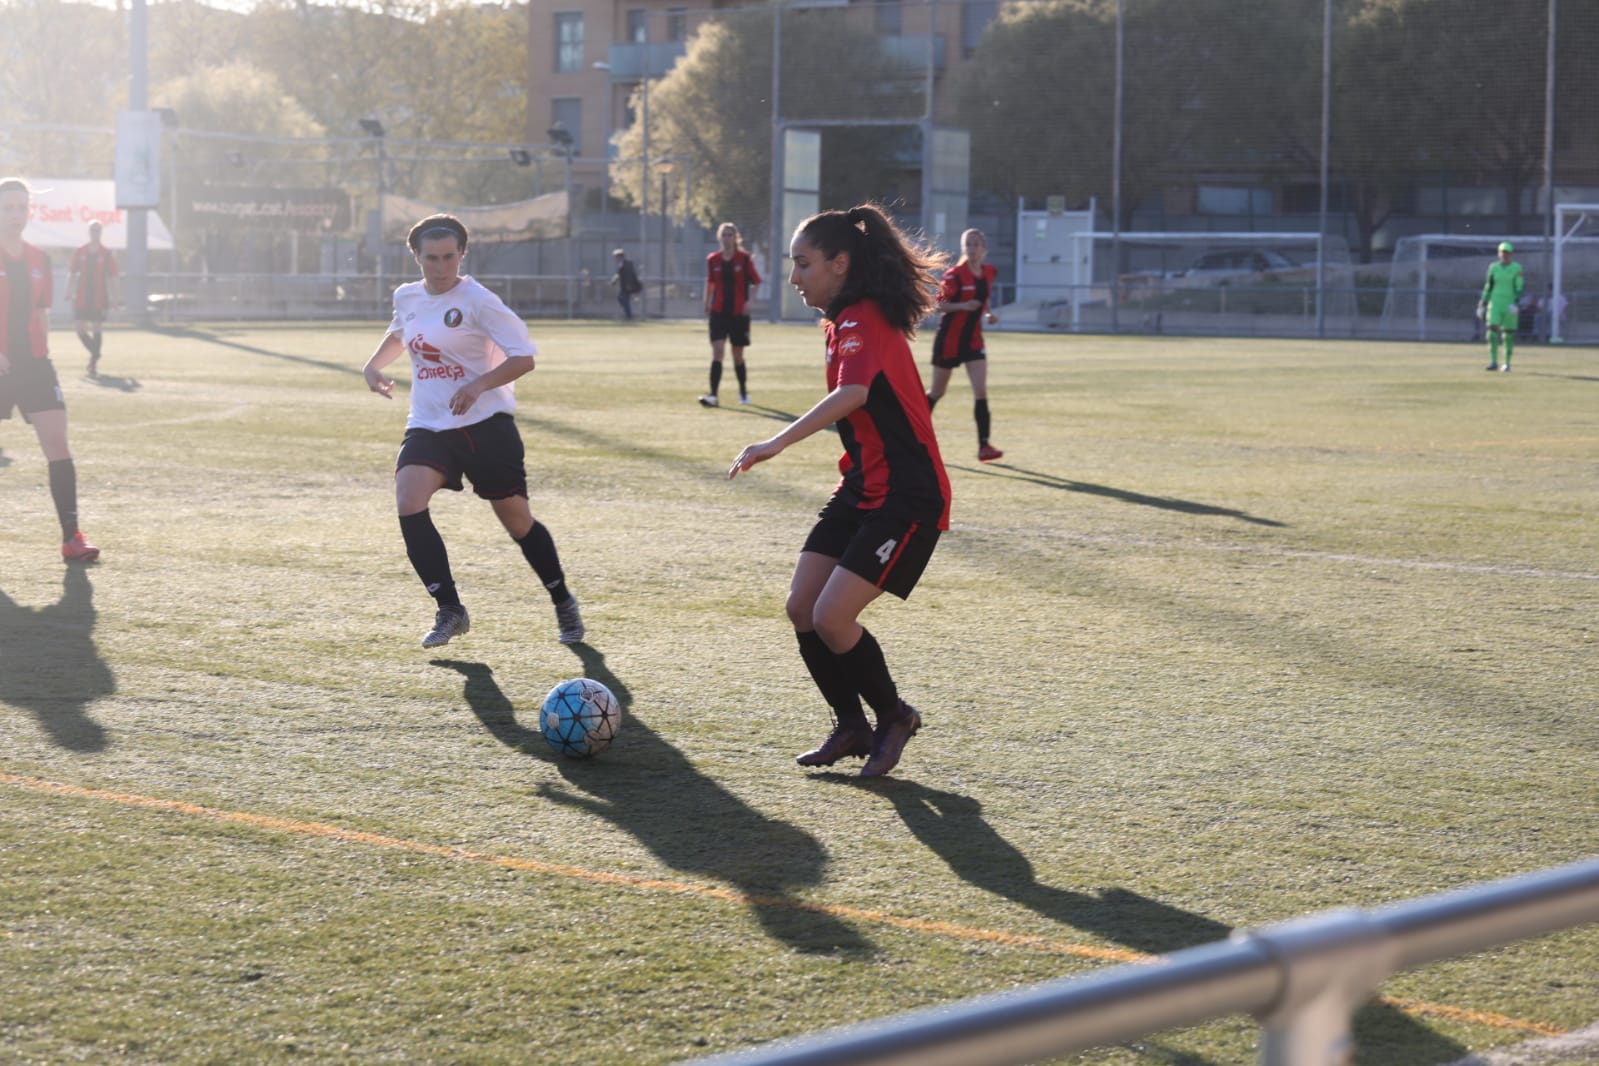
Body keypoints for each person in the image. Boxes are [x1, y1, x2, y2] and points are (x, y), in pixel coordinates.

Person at [728, 204, 950, 779]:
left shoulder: (864, 318)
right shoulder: (840, 321)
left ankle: (893, 717)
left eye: (803, 264)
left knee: (832, 616)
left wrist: (775, 443)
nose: (794, 277)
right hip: (862, 488)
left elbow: (853, 393)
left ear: (840, 263)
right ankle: (851, 726)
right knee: (802, 607)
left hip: (908, 497)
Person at [363, 213, 584, 649]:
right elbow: (400, 331)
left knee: (517, 522)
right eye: (431, 258)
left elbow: (524, 357)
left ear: (462, 254)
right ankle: (449, 609)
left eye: (449, 257)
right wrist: (373, 365)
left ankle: (561, 599)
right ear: (415, 257)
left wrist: (477, 384)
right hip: (429, 423)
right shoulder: (406, 296)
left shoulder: (480, 300)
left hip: (486, 426)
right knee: (409, 500)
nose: (441, 267)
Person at [0, 177, 100, 563]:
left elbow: (41, 313)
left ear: (28, 211)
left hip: (35, 366)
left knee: (58, 446)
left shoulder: (40, 260)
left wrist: (43, 354)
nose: (13, 215)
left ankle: (71, 537)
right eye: (6, 208)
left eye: (19, 208)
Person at [926, 227, 1003, 461]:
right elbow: (937, 305)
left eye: (976, 244)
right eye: (968, 244)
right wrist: (962, 306)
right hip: (949, 341)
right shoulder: (954, 275)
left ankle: (984, 446)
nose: (972, 248)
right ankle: (911, 431)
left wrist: (988, 313)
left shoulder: (989, 272)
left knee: (981, 392)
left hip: (973, 341)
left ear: (984, 249)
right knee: (937, 392)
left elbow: (983, 298)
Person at [699, 222, 762, 407]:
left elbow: (757, 282)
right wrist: (706, 302)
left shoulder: (744, 259)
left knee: (737, 355)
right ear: (719, 237)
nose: (727, 238)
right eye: (724, 235)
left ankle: (743, 391)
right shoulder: (713, 259)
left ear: (736, 238)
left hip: (738, 314)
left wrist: (750, 302)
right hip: (718, 313)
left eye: (730, 235)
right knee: (717, 352)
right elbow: (710, 282)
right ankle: (713, 395)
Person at [66, 220, 119, 377]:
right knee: (79, 328)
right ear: (89, 232)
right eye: (92, 230)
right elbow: (72, 272)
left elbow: (113, 277)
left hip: (99, 297)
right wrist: (68, 291)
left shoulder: (107, 254)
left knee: (96, 328)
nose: (94, 233)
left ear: (101, 232)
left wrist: (116, 299)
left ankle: (93, 362)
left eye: (97, 230)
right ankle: (95, 353)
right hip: (82, 296)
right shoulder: (80, 251)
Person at [1479, 241, 1524, 372]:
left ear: (1512, 254)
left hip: (1509, 303)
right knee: (1491, 331)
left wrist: (1517, 301)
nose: (1505, 255)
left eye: (1507, 253)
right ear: (1499, 253)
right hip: (1495, 302)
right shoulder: (1493, 267)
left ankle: (1507, 363)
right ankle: (1493, 361)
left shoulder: (1517, 268)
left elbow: (1519, 286)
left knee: (1508, 334)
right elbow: (1489, 285)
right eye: (1502, 252)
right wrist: (1483, 300)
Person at [611, 248, 641, 320]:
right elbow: (619, 274)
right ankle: (628, 314)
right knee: (622, 299)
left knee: (623, 299)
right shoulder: (622, 264)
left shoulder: (626, 263)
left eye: (616, 256)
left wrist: (629, 285)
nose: (615, 258)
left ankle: (629, 315)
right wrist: (614, 280)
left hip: (628, 286)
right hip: (625, 286)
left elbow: (629, 274)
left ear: (620, 256)